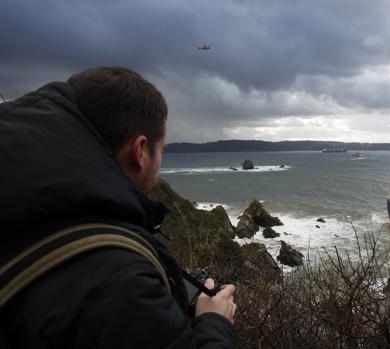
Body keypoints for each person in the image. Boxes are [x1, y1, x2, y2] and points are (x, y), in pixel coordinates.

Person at [0, 67, 236, 348]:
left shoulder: (25, 201)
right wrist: (214, 322)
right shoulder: (120, 282)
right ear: (140, 151)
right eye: (161, 151)